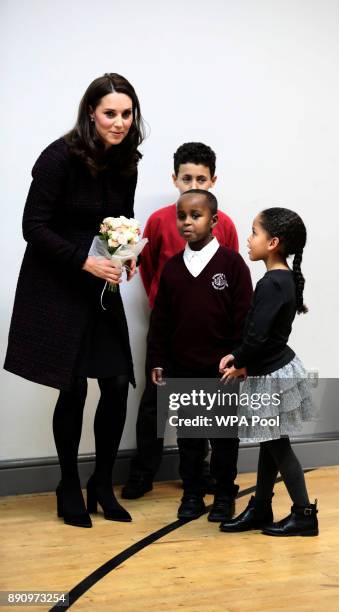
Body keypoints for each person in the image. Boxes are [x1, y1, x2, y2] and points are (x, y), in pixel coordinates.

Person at [4, 73, 145, 528]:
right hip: (59, 282)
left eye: (126, 114)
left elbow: (120, 218)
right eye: (110, 113)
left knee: (118, 381)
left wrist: (126, 255)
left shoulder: (127, 160)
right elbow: (33, 226)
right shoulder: (58, 157)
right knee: (73, 385)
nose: (120, 122)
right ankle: (68, 483)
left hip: (101, 282)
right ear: (91, 112)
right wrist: (84, 261)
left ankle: (101, 484)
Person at [122, 142, 239, 499]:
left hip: (209, 335)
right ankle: (144, 471)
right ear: (174, 179)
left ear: (213, 181)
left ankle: (202, 472)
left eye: (201, 179)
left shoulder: (226, 225)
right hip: (168, 332)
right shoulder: (159, 221)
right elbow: (147, 269)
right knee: (154, 402)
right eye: (186, 178)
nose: (193, 184)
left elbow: (230, 280)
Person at [147, 189, 253, 521]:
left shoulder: (232, 265)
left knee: (223, 440)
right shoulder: (173, 269)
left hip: (221, 371)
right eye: (182, 216)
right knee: (190, 439)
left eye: (196, 215)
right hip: (183, 367)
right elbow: (160, 318)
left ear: (214, 220)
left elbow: (244, 318)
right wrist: (158, 359)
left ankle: (224, 495)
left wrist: (240, 359)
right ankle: (191, 494)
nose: (187, 222)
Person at [218, 207, 319, 537]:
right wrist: (244, 357)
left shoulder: (272, 283)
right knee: (271, 441)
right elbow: (266, 334)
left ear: (273, 242)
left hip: (271, 374)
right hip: (273, 367)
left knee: (278, 445)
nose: (249, 239)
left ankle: (304, 514)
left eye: (254, 232)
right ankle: (261, 506)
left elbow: (258, 337)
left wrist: (237, 359)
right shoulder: (283, 279)